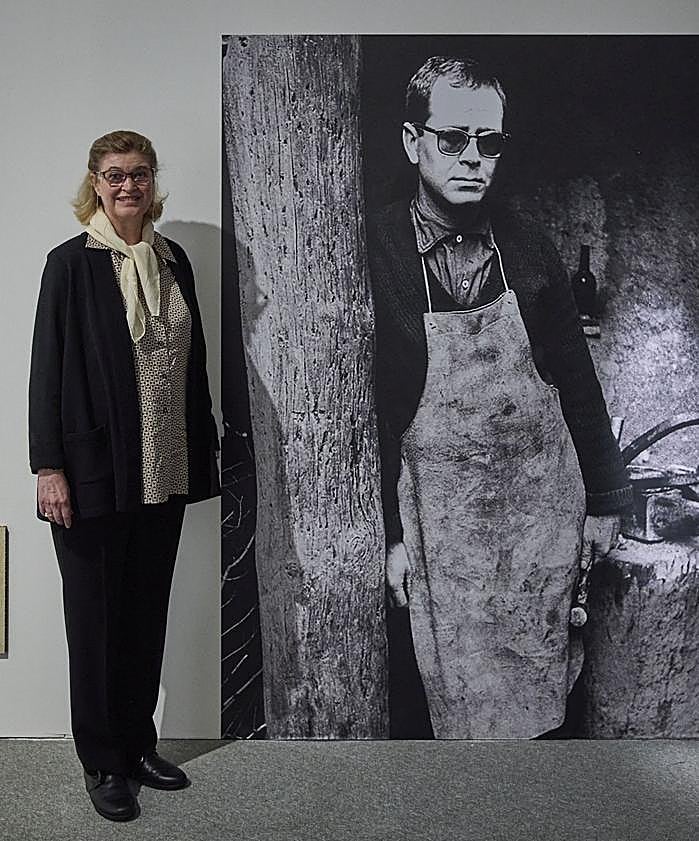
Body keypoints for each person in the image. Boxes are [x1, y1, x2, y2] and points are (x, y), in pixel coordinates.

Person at [367, 56, 632, 739]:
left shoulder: (529, 245)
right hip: (438, 531)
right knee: (446, 711)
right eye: (452, 139)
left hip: (535, 524)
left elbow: (575, 377)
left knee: (541, 700)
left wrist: (604, 500)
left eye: (489, 143)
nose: (472, 159)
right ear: (411, 140)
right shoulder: (376, 250)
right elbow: (369, 417)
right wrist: (391, 538)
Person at [28, 130, 220, 820]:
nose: (128, 185)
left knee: (143, 616)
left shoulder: (173, 262)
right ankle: (102, 761)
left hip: (162, 469)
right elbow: (46, 370)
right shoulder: (71, 265)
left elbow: (189, 369)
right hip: (91, 474)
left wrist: (204, 453)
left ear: (151, 180)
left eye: (138, 174)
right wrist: (49, 467)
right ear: (95, 181)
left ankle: (139, 745)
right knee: (95, 623)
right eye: (115, 175)